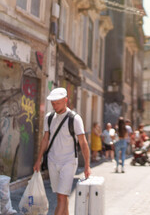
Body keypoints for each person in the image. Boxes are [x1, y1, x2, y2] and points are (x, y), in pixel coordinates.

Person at [33, 87, 90, 215]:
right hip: (53, 161)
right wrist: (38, 160)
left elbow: (83, 142)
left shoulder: (74, 119)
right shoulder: (49, 117)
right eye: (53, 103)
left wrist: (87, 165)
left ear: (65, 100)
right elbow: (45, 139)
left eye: (57, 103)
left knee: (61, 197)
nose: (55, 106)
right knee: (62, 196)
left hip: (68, 162)